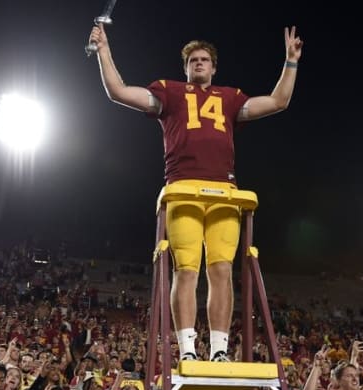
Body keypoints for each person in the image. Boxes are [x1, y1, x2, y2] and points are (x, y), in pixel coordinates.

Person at [87, 22, 303, 361]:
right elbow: (118, 91)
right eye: (193, 60)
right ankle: (187, 349)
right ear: (185, 67)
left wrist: (291, 62)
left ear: (214, 67)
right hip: (183, 188)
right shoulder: (169, 91)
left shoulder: (230, 98)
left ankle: (219, 349)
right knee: (186, 269)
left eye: (204, 60)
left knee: (220, 271)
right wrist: (103, 51)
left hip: (224, 191)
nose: (199, 63)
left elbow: (278, 101)